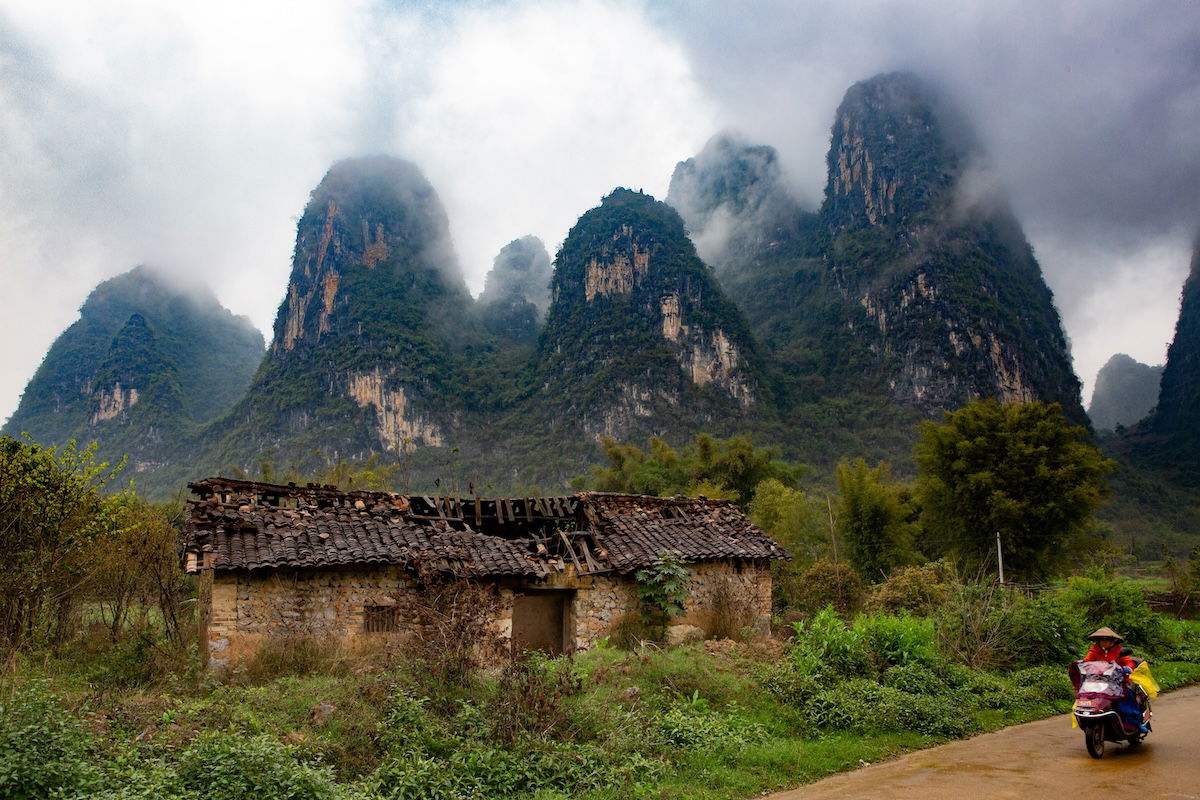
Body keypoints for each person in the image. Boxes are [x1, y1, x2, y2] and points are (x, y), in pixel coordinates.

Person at [1084, 626, 1148, 734]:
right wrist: (1081, 665)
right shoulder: (1094, 650)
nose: (1103, 642)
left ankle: (1135, 723)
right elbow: (1087, 661)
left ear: (1112, 641)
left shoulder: (1119, 651)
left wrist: (1128, 668)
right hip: (1099, 681)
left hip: (1117, 681)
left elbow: (1129, 662)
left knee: (1126, 695)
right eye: (1101, 640)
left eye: (1106, 640)